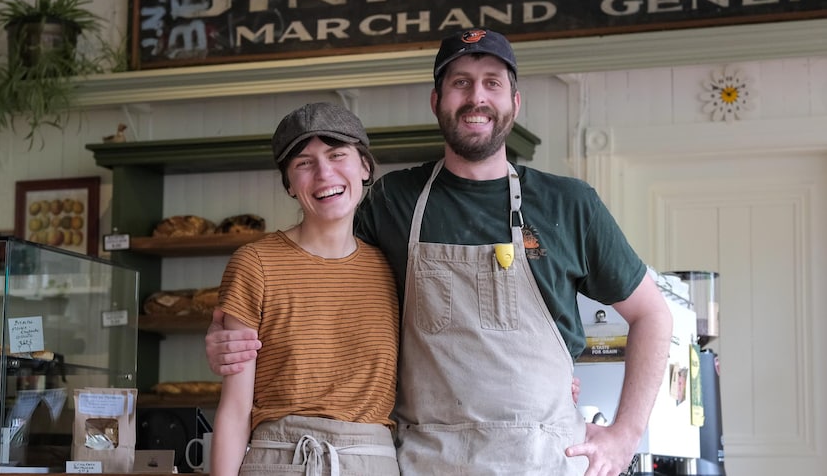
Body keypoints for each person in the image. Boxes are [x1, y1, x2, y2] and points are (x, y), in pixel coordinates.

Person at [206, 29, 673, 476]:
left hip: (543, 459)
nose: (476, 98)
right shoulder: (392, 201)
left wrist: (625, 433)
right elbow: (326, 284)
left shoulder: (569, 204)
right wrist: (234, 340)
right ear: (437, 101)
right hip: (425, 460)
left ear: (515, 102)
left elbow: (653, 314)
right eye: (460, 84)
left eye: (492, 83)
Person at [210, 102, 401, 476]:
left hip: (372, 462)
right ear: (289, 184)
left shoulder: (392, 268)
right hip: (278, 460)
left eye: (337, 155)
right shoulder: (255, 263)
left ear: (364, 166)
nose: (324, 173)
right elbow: (234, 409)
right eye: (303, 163)